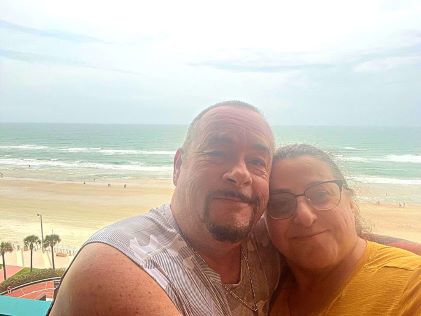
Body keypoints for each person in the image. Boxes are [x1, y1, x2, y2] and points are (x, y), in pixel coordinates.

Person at [49, 101, 280, 315]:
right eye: (217, 153)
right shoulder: (122, 264)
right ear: (178, 166)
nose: (240, 173)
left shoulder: (272, 241)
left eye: (258, 161)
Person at [266, 144, 421, 316]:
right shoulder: (264, 290)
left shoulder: (412, 285)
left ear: (350, 203)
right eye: (281, 204)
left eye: (320, 195)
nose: (305, 217)